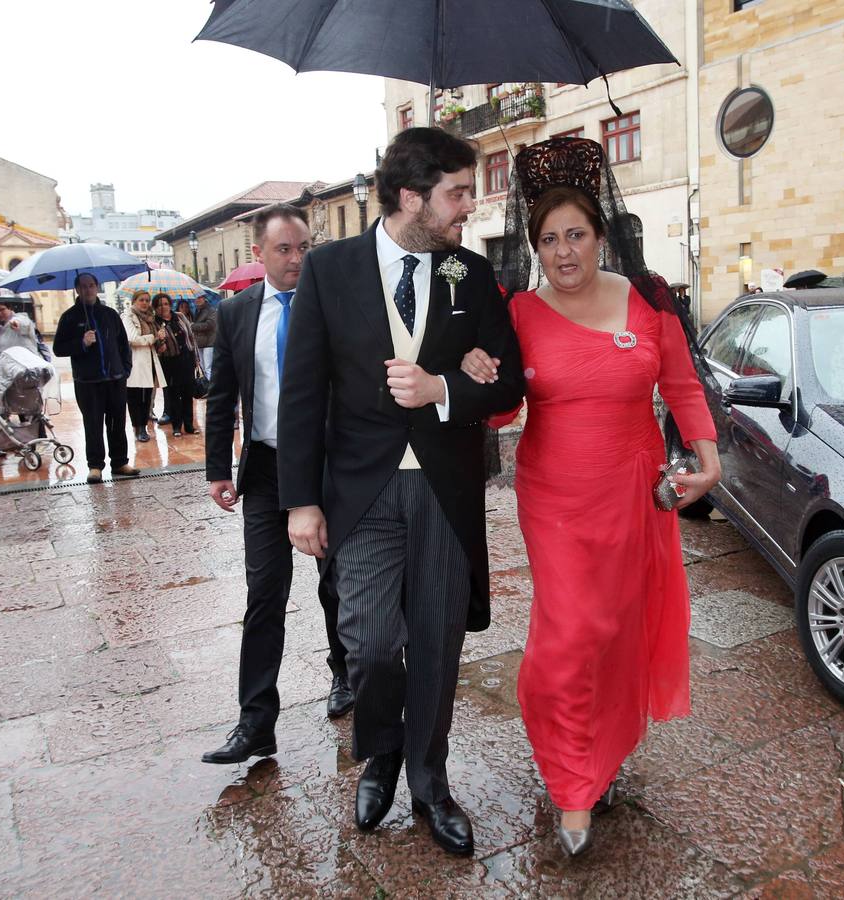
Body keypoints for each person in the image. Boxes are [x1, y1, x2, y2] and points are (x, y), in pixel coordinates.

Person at [460, 137, 721, 856]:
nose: (562, 252)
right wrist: (481, 376)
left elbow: (681, 385)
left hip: (634, 490)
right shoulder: (516, 311)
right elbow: (502, 414)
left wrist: (706, 456)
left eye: (574, 234)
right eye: (548, 240)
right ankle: (572, 783)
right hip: (554, 497)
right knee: (568, 636)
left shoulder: (649, 298)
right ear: (534, 247)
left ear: (601, 235)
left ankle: (600, 754)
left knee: (615, 631)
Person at [277, 128, 526, 856]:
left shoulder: (469, 273)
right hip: (361, 493)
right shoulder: (330, 270)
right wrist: (301, 500)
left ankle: (429, 780)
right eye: (457, 193)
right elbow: (301, 391)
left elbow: (508, 380)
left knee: (439, 644)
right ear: (412, 196)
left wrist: (443, 387)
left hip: (446, 491)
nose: (468, 206)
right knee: (373, 643)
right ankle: (381, 751)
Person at [202, 204, 355, 766]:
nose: (296, 259)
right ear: (259, 253)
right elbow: (222, 395)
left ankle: (345, 675)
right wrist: (218, 469)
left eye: (303, 247)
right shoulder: (237, 313)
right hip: (266, 470)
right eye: (284, 249)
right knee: (264, 593)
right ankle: (256, 720)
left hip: (328, 467)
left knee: (335, 583)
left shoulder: (333, 304)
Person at [52, 273, 140, 484]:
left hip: (115, 379)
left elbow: (123, 344)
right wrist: (81, 343)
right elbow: (58, 348)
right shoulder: (69, 317)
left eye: (91, 285)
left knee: (117, 423)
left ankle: (120, 462)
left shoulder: (109, 314)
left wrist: (125, 369)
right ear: (77, 289)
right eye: (83, 286)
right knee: (93, 425)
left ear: (96, 286)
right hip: (88, 382)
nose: (88, 289)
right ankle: (95, 466)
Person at [122, 290, 166, 443]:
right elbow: (133, 338)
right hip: (135, 362)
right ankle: (138, 427)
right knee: (135, 397)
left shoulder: (151, 318)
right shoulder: (128, 316)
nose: (145, 303)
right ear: (134, 301)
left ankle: (144, 426)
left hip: (150, 361)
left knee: (147, 396)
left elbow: (153, 342)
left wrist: (160, 340)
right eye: (141, 300)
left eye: (147, 300)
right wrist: (154, 337)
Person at [154, 293, 199, 437]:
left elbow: (191, 336)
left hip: (186, 360)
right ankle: (176, 426)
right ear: (155, 308)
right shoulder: (155, 323)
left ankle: (189, 425)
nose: (163, 307)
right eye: (159, 305)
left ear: (170, 304)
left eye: (166, 304)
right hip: (169, 362)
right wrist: (160, 340)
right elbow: (157, 348)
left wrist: (196, 358)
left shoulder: (179, 316)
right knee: (173, 395)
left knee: (187, 394)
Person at [189, 292, 217, 381]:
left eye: (200, 297)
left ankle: (212, 387)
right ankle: (208, 386)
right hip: (200, 343)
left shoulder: (211, 310)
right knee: (204, 368)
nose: (197, 300)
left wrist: (193, 326)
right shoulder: (197, 311)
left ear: (204, 298)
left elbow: (210, 324)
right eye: (196, 298)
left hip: (209, 342)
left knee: (208, 368)